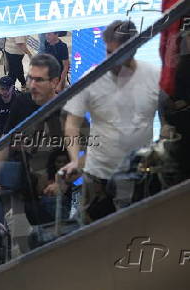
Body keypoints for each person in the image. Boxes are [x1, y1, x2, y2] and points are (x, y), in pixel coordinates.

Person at [61, 20, 160, 224]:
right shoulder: (92, 78)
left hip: (137, 175)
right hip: (98, 174)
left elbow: (168, 120)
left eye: (119, 54)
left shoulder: (153, 76)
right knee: (93, 231)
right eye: (108, 52)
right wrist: (74, 159)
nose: (111, 60)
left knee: (134, 228)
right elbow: (72, 124)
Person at [0, 53, 63, 226]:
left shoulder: (66, 109)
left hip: (54, 193)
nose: (32, 85)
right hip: (27, 187)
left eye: (39, 80)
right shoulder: (22, 102)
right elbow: (4, 141)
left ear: (54, 82)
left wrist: (61, 181)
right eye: (30, 79)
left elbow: (86, 153)